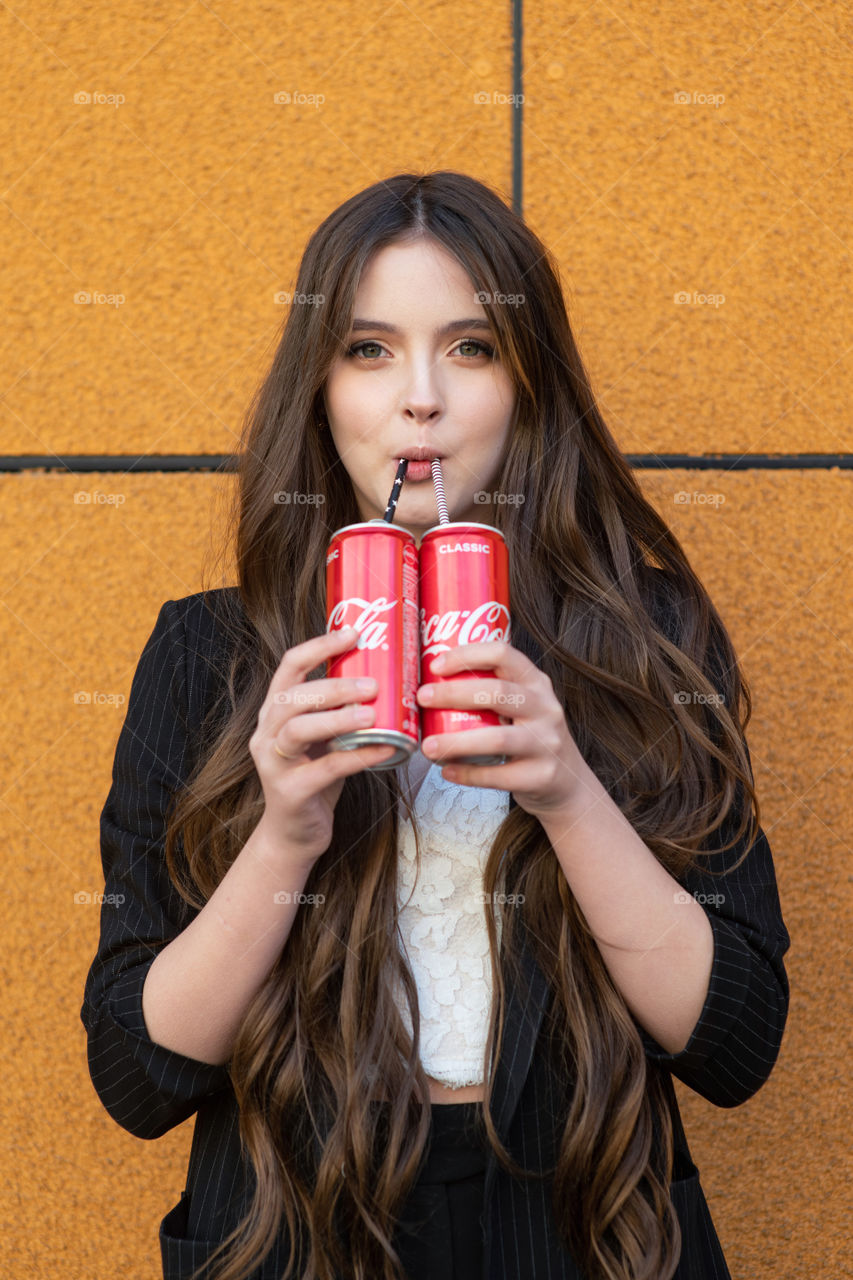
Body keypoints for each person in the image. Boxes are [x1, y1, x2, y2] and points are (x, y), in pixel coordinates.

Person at [80, 171, 791, 1280]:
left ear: (528, 382)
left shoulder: (646, 633)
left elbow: (736, 1043)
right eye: (368, 349)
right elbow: (138, 1069)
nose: (421, 398)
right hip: (299, 1233)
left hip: (585, 1228)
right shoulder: (207, 653)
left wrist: (567, 793)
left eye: (470, 347)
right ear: (317, 387)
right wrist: (282, 835)